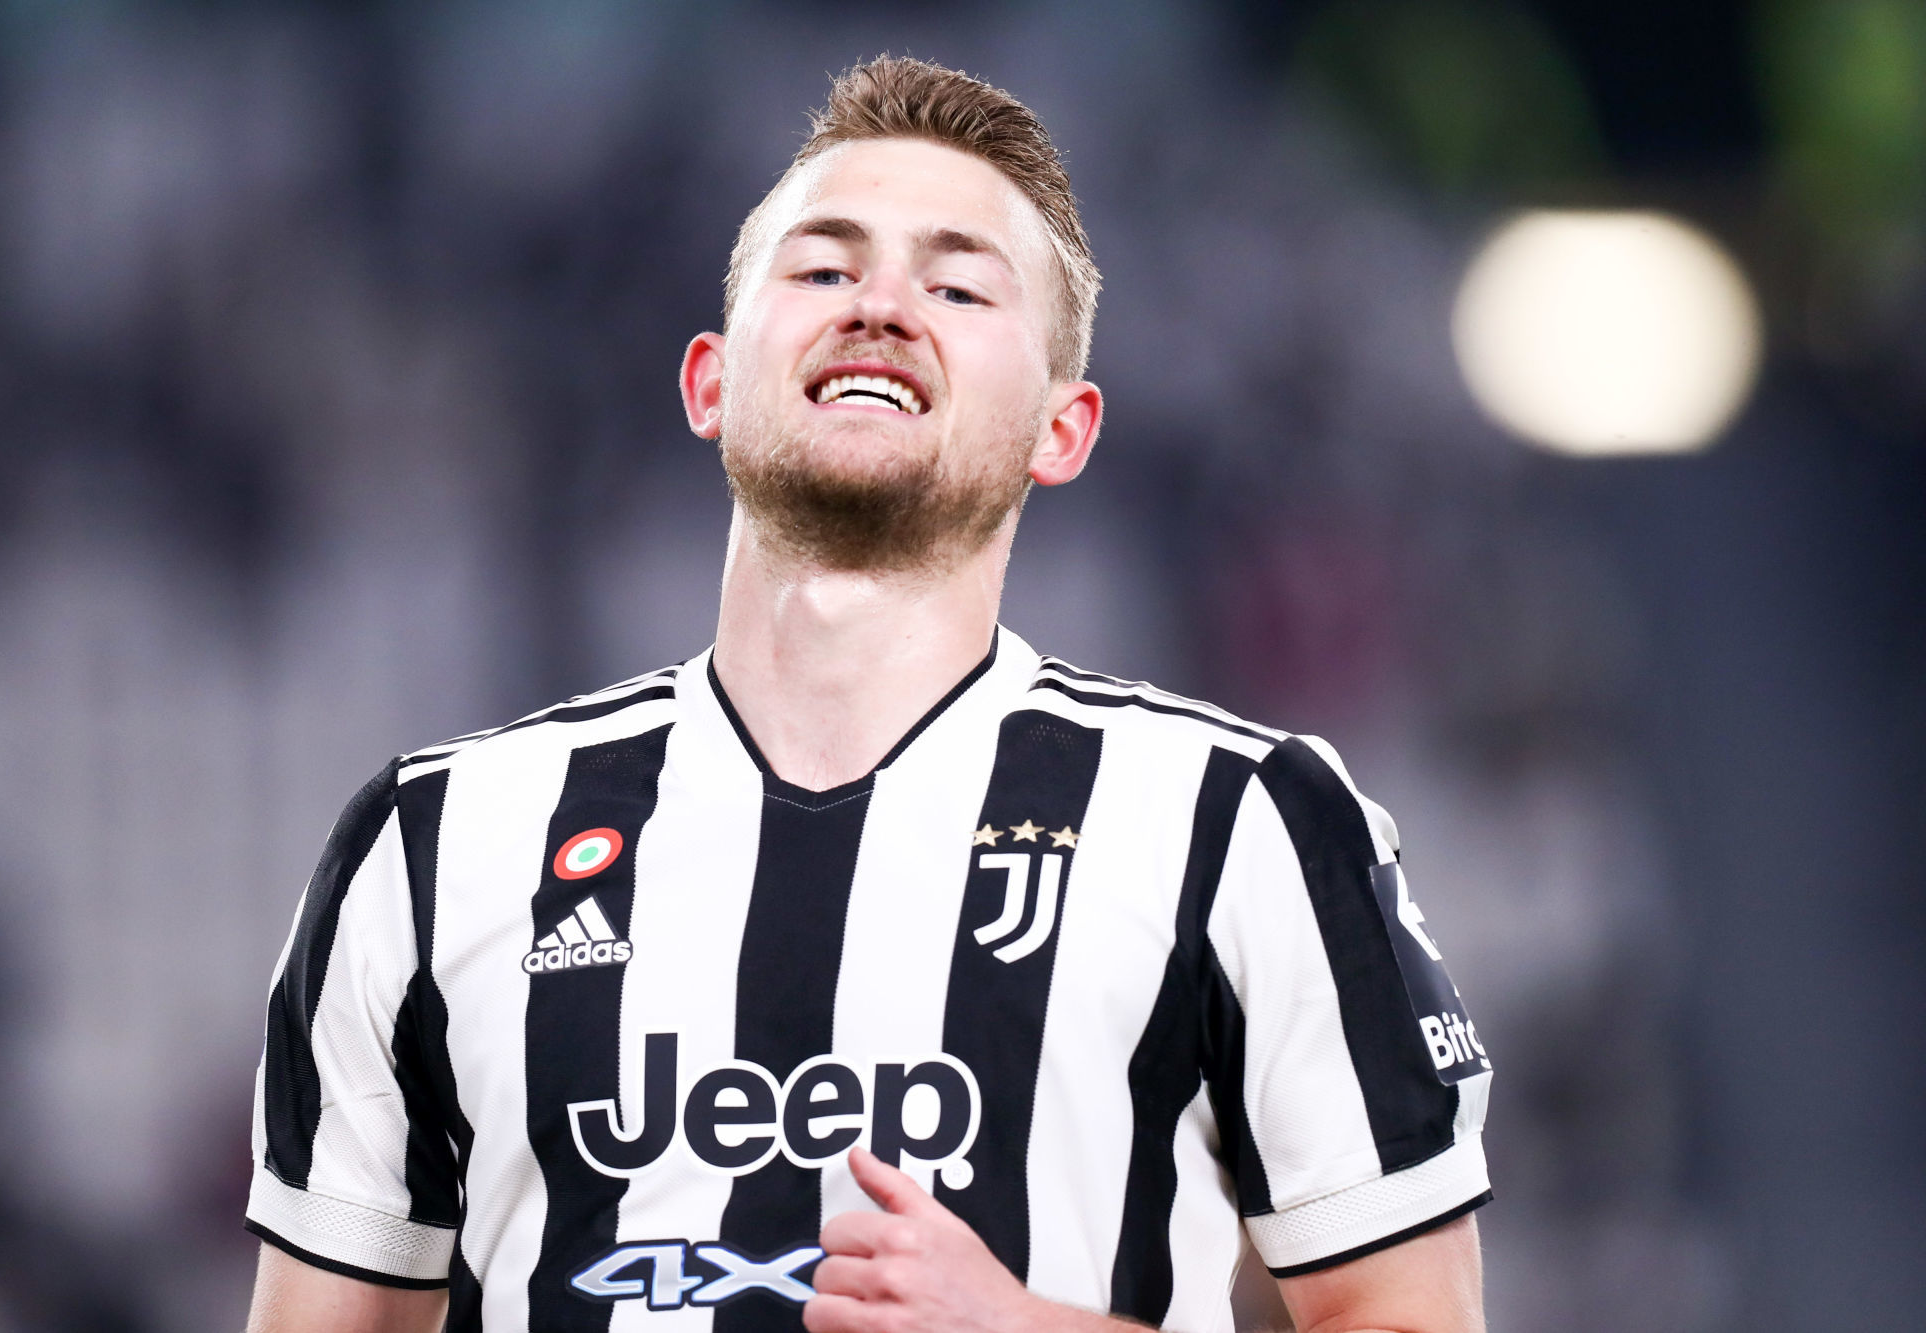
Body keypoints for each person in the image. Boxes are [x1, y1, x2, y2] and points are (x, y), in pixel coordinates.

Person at [243, 56, 1493, 1333]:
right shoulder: (434, 840)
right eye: (823, 271)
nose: (881, 306)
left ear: (1059, 429)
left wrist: (1023, 1331)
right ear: (709, 383)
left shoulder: (1243, 823)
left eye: (955, 286)